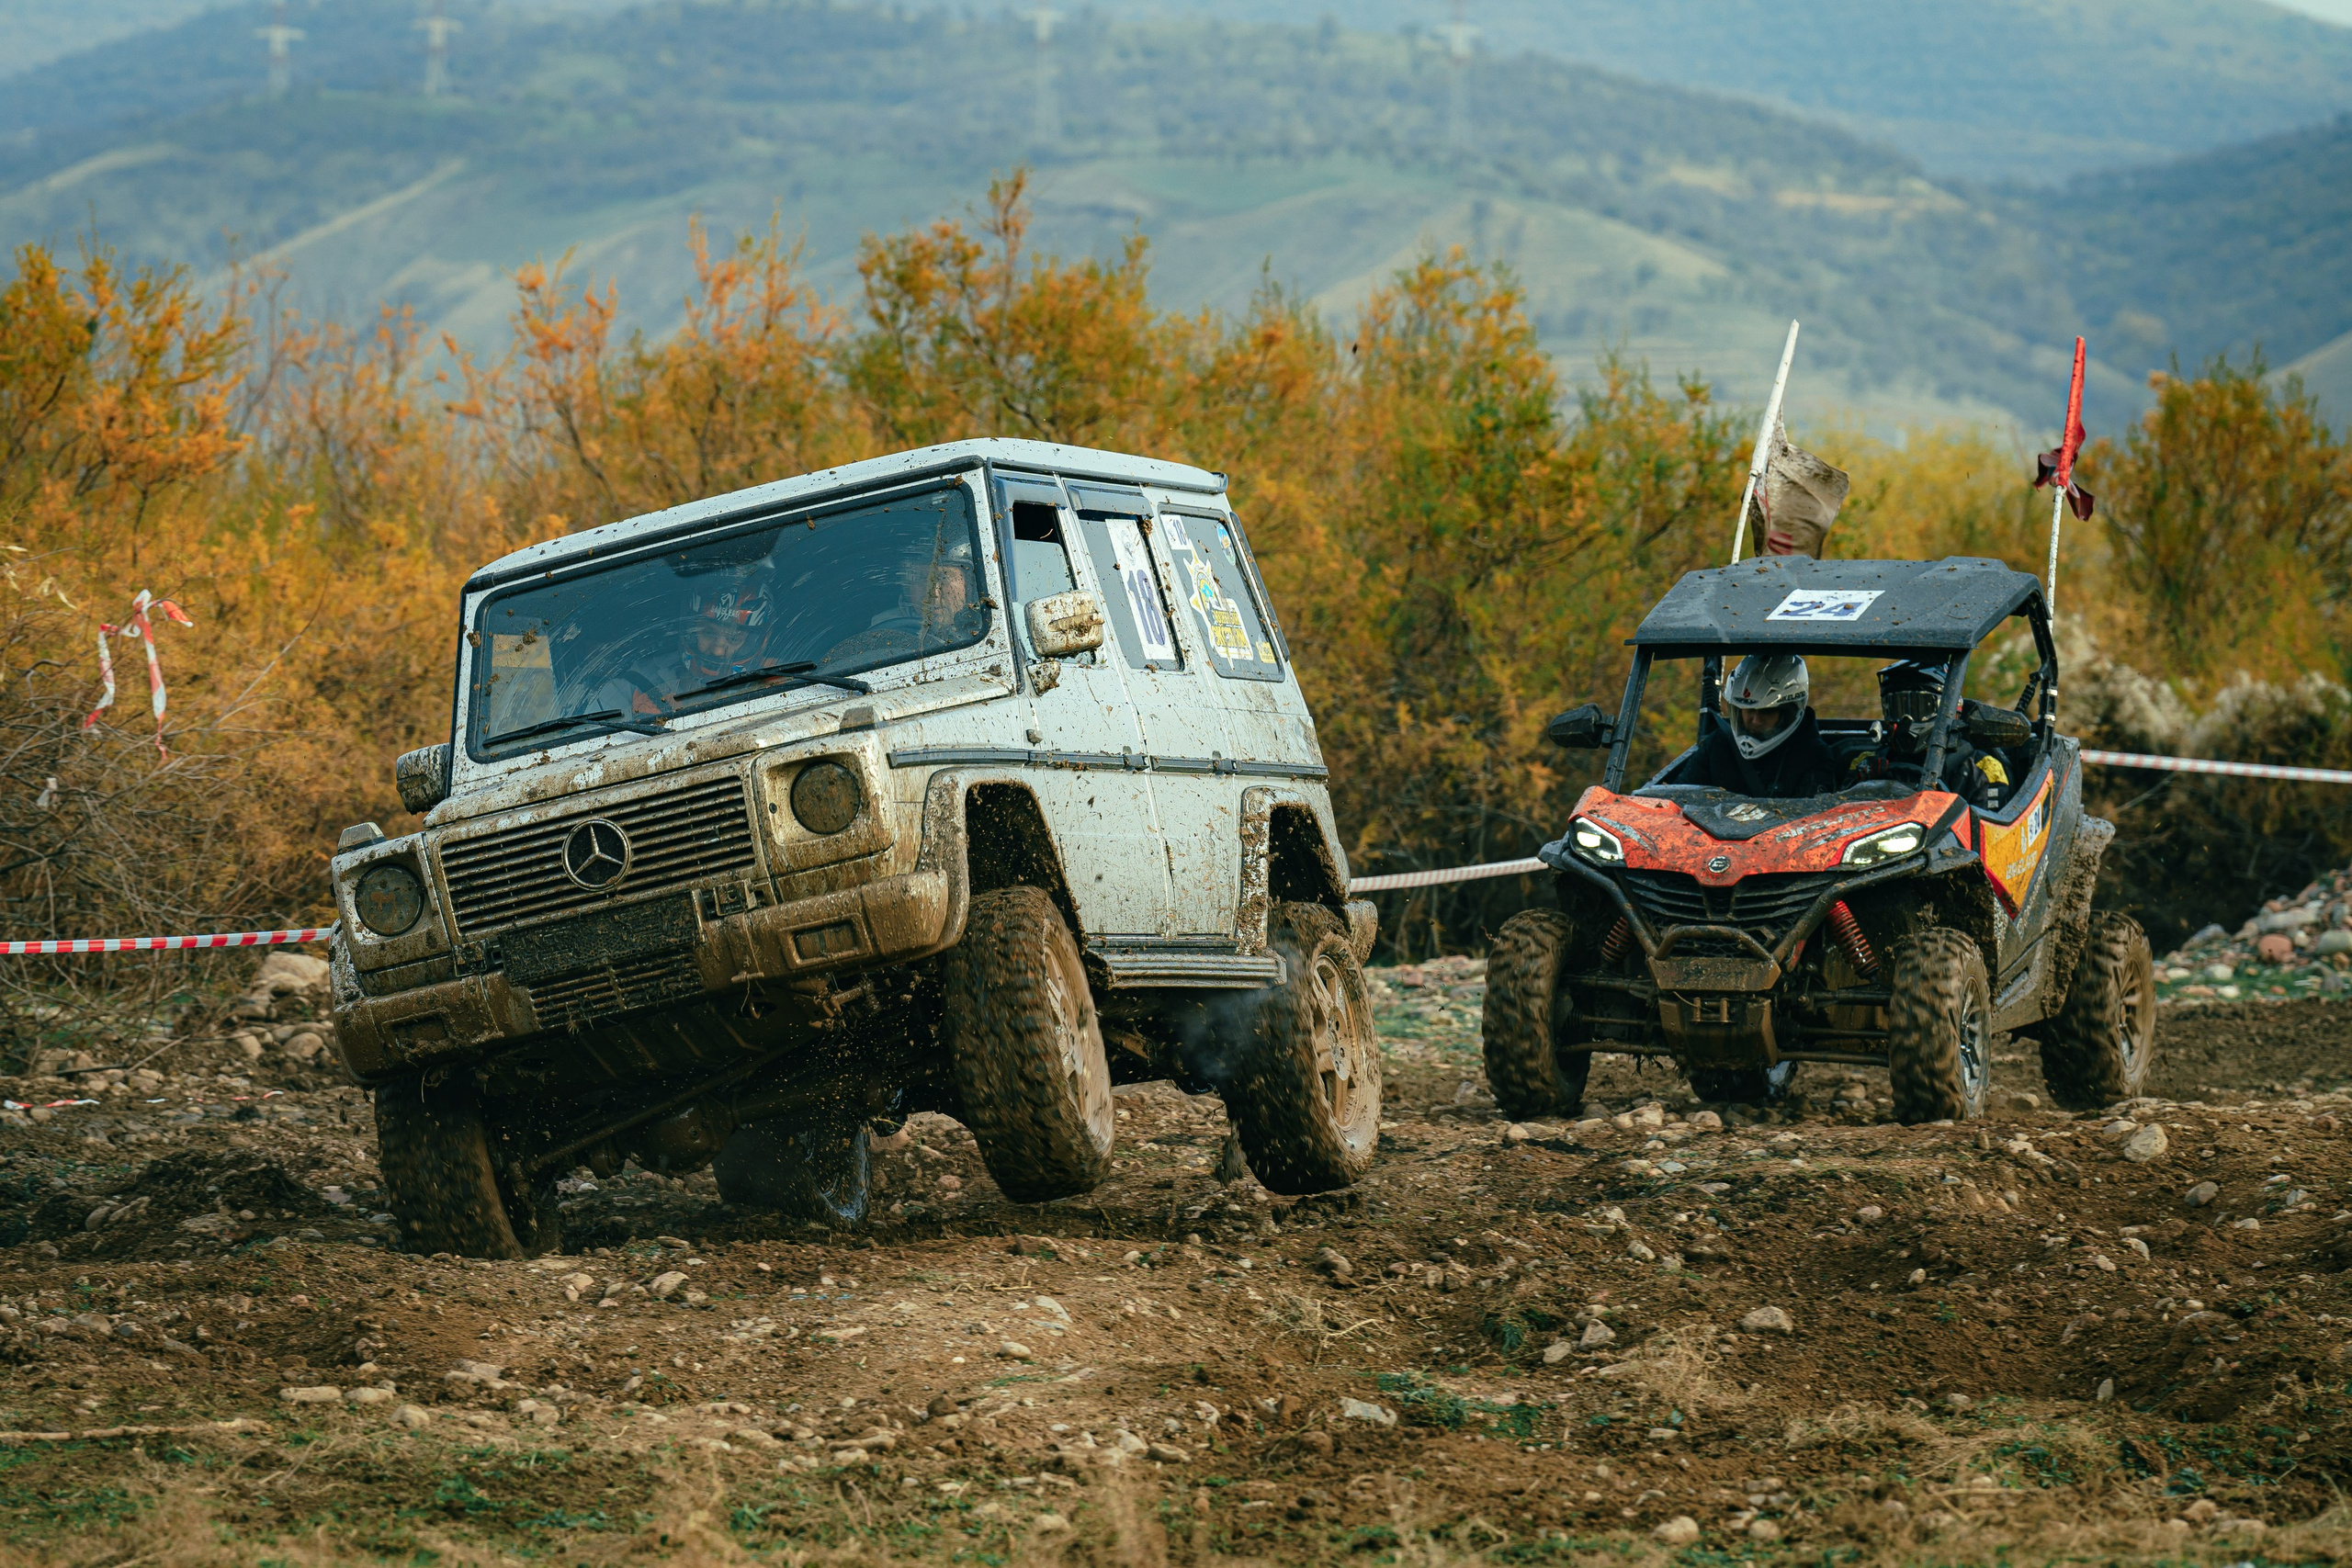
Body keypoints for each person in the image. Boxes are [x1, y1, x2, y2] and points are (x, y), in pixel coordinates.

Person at [1844, 660, 2011, 807]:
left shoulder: (1983, 770)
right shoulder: (1867, 763)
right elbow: (1835, 819)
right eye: (1898, 708)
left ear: (1951, 710)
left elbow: (1989, 837)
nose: (1906, 720)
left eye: (1918, 708)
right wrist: (1862, 784)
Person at [1683, 652, 1842, 798]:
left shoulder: (1814, 756)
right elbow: (1679, 797)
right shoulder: (1718, 745)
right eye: (1748, 710)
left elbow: (1811, 819)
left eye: (1766, 712)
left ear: (1788, 712)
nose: (1756, 720)